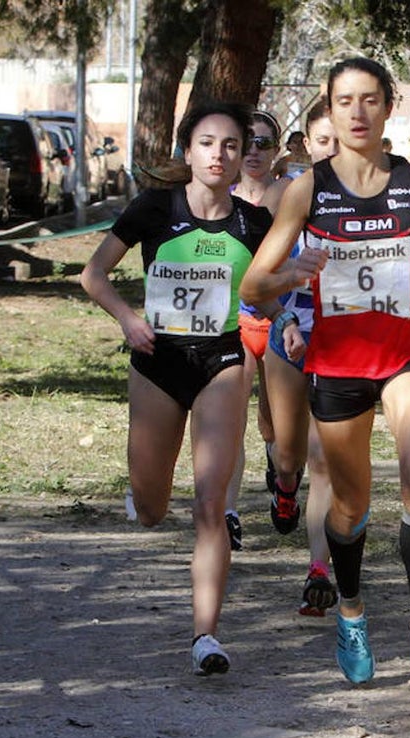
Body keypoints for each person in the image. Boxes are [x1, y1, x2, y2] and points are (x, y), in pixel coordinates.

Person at [240, 57, 410, 687]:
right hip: (338, 362)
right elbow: (253, 284)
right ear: (330, 106)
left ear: (387, 106)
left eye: (369, 100)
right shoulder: (307, 189)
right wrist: (296, 272)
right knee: (349, 504)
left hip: (406, 353)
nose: (356, 112)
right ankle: (350, 613)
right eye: (344, 101)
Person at [80, 102, 282, 675]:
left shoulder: (253, 223)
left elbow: (264, 297)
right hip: (156, 360)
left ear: (243, 156)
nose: (219, 156)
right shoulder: (154, 208)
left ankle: (206, 636)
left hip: (221, 360)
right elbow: (93, 275)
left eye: (231, 146)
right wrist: (126, 317)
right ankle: (144, 500)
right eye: (207, 144)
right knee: (151, 508)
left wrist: (284, 301)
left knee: (210, 503)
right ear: (187, 151)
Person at [254, 102, 342, 617]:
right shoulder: (285, 199)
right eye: (322, 141)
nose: (333, 149)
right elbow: (258, 279)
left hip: (343, 341)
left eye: (340, 139)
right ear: (307, 144)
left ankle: (318, 569)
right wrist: (286, 307)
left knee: (324, 458)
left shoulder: (378, 198)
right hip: (291, 333)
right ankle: (283, 486)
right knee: (289, 455)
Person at [229, 109, 285, 550]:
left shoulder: (290, 195)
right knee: (230, 418)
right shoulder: (218, 196)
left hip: (282, 321)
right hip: (236, 320)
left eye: (263, 143)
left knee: (276, 427)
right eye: (246, 142)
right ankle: (228, 513)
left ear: (277, 150)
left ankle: (279, 472)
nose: (253, 151)